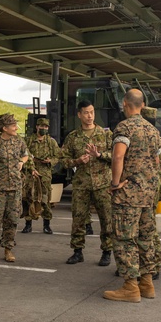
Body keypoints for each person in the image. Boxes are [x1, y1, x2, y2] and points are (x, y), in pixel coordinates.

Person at [102, 89, 161, 303]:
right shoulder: (152, 129)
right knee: (145, 238)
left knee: (125, 238)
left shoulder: (125, 127)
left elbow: (118, 156)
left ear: (125, 104)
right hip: (148, 194)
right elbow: (157, 162)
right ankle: (147, 284)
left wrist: (115, 183)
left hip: (128, 195)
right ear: (143, 104)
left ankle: (130, 287)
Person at [60, 100, 114, 266]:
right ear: (79, 115)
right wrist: (77, 161)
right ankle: (77, 252)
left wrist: (100, 155)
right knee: (78, 219)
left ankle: (107, 251)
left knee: (106, 219)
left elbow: (116, 156)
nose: (89, 116)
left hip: (103, 184)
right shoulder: (73, 137)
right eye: (86, 113)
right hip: (81, 184)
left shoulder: (106, 135)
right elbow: (62, 160)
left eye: (92, 112)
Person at [0, 113, 30, 262]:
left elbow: (26, 154)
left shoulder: (19, 141)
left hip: (15, 187)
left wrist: (22, 162)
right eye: (13, 125)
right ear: (4, 128)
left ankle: (8, 249)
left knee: (12, 219)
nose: (16, 127)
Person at [23, 117, 61, 234]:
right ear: (37, 127)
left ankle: (47, 224)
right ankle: (28, 224)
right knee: (29, 197)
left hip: (45, 174)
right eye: (41, 126)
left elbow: (58, 156)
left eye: (46, 127)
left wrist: (51, 161)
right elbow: (24, 156)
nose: (43, 128)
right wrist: (31, 168)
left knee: (45, 199)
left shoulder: (51, 142)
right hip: (31, 172)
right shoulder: (29, 141)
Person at [141, 105, 161, 281]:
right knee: (148, 228)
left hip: (148, 188)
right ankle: (151, 265)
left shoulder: (150, 138)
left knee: (149, 230)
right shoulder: (156, 137)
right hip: (152, 187)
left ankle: (153, 265)